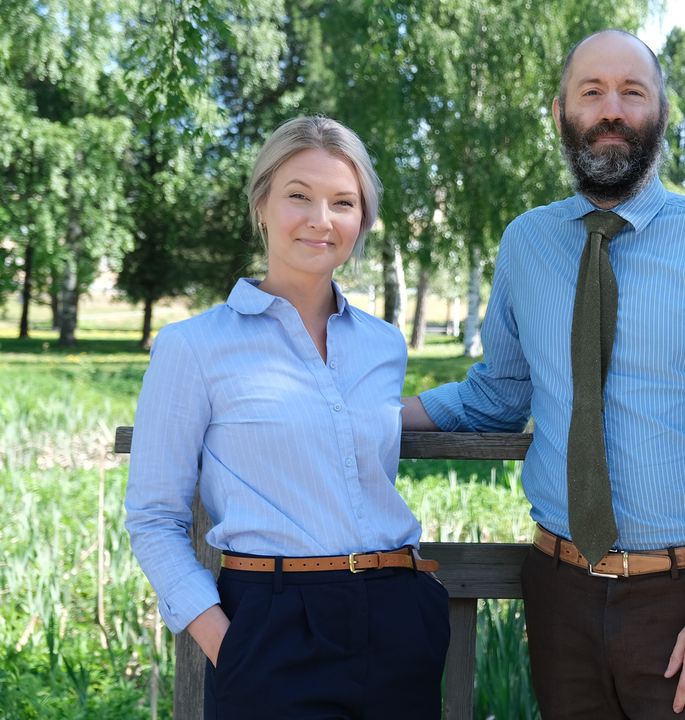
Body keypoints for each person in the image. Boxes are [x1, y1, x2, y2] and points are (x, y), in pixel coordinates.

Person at [401, 29, 685, 720]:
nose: (611, 109)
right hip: (559, 596)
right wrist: (364, 418)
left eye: (632, 92)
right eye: (592, 92)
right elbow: (497, 395)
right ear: (560, 113)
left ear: (661, 114)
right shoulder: (526, 242)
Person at [125, 116, 449, 719]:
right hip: (270, 630)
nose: (320, 219)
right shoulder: (193, 347)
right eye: (298, 195)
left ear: (362, 220)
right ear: (262, 204)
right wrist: (230, 644)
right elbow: (153, 517)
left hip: (397, 619)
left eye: (343, 202)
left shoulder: (384, 345)